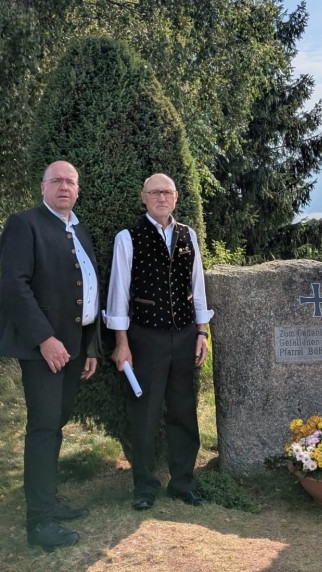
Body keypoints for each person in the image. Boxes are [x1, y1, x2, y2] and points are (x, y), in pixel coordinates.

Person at [0, 160, 101, 551]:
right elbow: (14, 287)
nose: (64, 186)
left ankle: (50, 502)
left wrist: (89, 347)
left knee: (55, 426)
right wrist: (44, 339)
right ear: (43, 187)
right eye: (56, 180)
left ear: (78, 189)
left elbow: (88, 290)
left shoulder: (79, 229)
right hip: (45, 351)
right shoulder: (24, 224)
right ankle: (39, 522)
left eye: (70, 181)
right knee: (42, 430)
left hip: (74, 350)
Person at [104, 172, 213, 511]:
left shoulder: (188, 235)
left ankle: (183, 482)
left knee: (183, 411)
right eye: (154, 193)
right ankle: (145, 486)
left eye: (167, 192)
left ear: (176, 197)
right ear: (144, 198)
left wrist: (201, 332)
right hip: (145, 337)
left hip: (183, 335)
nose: (161, 198)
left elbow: (197, 287)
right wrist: (121, 343)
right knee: (145, 414)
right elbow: (118, 293)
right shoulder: (128, 237)